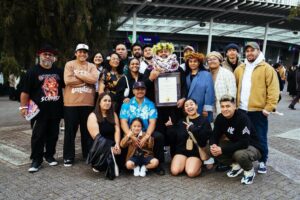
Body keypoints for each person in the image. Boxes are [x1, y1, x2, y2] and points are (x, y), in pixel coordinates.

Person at [234, 42, 279, 174]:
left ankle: (262, 161)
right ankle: (244, 160)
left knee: (260, 136)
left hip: (258, 111)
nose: (249, 53)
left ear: (258, 51)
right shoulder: (240, 68)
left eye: (252, 50)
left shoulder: (267, 68)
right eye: (247, 51)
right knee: (242, 136)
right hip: (241, 110)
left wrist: (268, 108)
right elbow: (235, 87)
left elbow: (274, 90)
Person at [20, 44, 64, 173]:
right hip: (38, 112)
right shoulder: (32, 72)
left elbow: (65, 88)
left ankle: (49, 155)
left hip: (55, 110)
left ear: (53, 57)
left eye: (50, 55)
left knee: (53, 135)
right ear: (40, 56)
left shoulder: (58, 71)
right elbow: (25, 92)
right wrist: (23, 107)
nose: (48, 56)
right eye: (45, 54)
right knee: (38, 136)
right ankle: (36, 160)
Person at [210, 95, 262, 185]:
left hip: (252, 147)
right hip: (236, 144)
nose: (225, 109)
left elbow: (244, 143)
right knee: (210, 147)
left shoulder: (242, 118)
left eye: (228, 106)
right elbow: (214, 135)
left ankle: (249, 171)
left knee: (239, 154)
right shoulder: (220, 118)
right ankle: (236, 165)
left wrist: (222, 150)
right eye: (222, 106)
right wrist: (213, 145)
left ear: (234, 106)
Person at [63, 43, 99, 167]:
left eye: (84, 52)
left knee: (87, 130)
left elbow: (94, 79)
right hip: (71, 104)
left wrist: (78, 75)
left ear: (87, 54)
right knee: (70, 132)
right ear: (76, 53)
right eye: (80, 52)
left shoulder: (92, 66)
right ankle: (68, 157)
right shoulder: (69, 64)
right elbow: (68, 80)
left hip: (88, 103)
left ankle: (87, 153)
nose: (82, 54)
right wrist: (85, 80)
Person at [143, 42, 187, 142]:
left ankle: (175, 155)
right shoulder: (150, 68)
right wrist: (150, 78)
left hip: (174, 107)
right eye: (160, 51)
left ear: (170, 52)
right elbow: (143, 86)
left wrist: (183, 98)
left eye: (166, 51)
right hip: (156, 107)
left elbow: (184, 85)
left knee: (173, 134)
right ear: (156, 54)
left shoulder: (177, 67)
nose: (163, 53)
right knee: (159, 134)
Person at [119, 81, 165, 175]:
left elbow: (152, 122)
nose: (140, 91)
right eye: (137, 89)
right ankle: (124, 164)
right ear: (133, 91)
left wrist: (146, 136)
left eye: (142, 89)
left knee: (159, 137)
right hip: (131, 131)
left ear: (145, 90)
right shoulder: (127, 104)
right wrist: (131, 135)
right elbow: (123, 122)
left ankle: (158, 165)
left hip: (145, 131)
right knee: (123, 139)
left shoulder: (150, 104)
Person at [165, 99, 213, 178]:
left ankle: (196, 165)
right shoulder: (181, 121)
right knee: (175, 171)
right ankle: (185, 164)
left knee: (191, 173)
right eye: (186, 106)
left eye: (191, 104)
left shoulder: (204, 121)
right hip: (181, 151)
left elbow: (204, 139)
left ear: (196, 106)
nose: (189, 107)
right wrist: (170, 127)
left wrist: (193, 129)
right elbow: (173, 139)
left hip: (195, 153)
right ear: (184, 109)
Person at [87, 92, 121, 173]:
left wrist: (117, 144)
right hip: (99, 145)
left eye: (109, 101)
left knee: (121, 163)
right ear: (99, 102)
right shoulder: (93, 116)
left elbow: (117, 130)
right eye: (105, 100)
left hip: (112, 142)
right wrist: (110, 148)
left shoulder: (113, 114)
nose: (107, 103)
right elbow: (97, 138)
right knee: (103, 167)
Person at [185, 52, 215, 122]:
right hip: (189, 108)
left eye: (195, 61)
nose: (192, 63)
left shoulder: (206, 75)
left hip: (202, 108)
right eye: (190, 61)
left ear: (199, 63)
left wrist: (206, 109)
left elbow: (209, 93)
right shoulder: (186, 75)